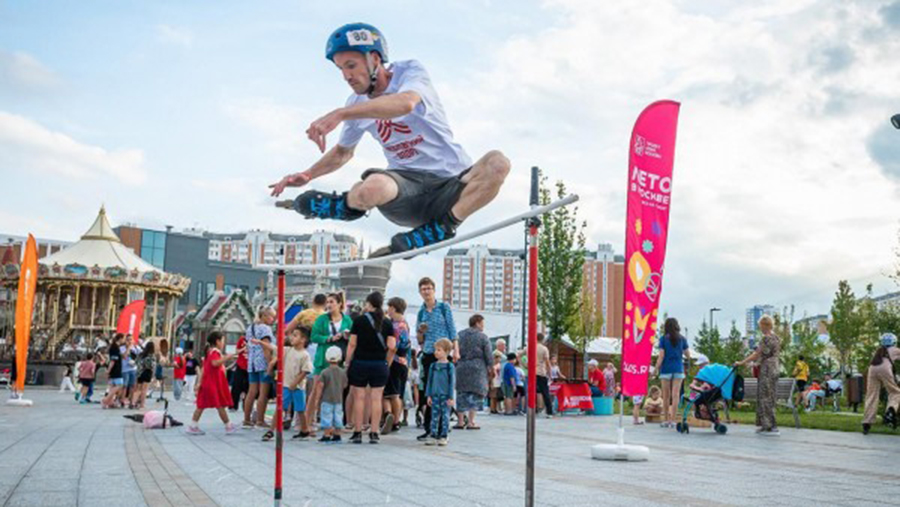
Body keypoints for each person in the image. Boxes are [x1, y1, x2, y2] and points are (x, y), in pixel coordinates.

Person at [269, 23, 510, 257]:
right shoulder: (355, 105)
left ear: (374, 59)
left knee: (498, 163)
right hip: (406, 189)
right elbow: (343, 152)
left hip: (452, 187)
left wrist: (340, 114)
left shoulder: (410, 72)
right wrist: (308, 175)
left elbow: (405, 103)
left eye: (351, 65)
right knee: (373, 186)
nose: (346, 76)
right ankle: (346, 205)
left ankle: (441, 228)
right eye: (340, 69)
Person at [346, 291, 396, 444]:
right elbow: (392, 347)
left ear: (368, 304)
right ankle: (374, 432)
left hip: (360, 363)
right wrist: (386, 362)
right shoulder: (388, 322)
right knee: (376, 399)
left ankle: (358, 432)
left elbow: (352, 344)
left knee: (359, 398)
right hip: (379, 365)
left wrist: (348, 361)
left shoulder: (359, 320)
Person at [415, 277, 458, 441]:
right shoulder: (421, 311)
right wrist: (421, 330)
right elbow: (419, 338)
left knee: (444, 388)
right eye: (423, 289)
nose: (426, 292)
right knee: (428, 390)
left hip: (444, 352)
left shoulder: (443, 307)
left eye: (428, 288)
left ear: (434, 290)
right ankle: (430, 427)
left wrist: (455, 350)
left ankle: (444, 426)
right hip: (428, 352)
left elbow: (452, 328)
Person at [310, 293, 352, 436]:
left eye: (332, 302)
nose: (329, 305)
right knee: (317, 391)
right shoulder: (322, 319)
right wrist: (329, 338)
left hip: (339, 359)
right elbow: (314, 336)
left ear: (340, 304)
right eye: (327, 302)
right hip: (323, 358)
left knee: (336, 393)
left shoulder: (347, 320)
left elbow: (353, 337)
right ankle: (310, 421)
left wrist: (346, 336)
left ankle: (335, 423)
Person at [186, 332, 244, 435]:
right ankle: (228, 425)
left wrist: (199, 382)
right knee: (218, 405)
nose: (223, 343)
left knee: (203, 405)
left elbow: (205, 368)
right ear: (217, 341)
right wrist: (227, 357)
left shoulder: (210, 352)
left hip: (209, 383)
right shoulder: (214, 352)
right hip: (212, 383)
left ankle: (194, 425)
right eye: (222, 340)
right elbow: (215, 363)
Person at [736, 315, 781, 436]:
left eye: (760, 325)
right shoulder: (776, 338)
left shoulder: (766, 338)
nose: (760, 328)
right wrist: (755, 364)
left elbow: (757, 354)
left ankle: (768, 426)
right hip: (775, 368)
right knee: (771, 397)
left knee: (764, 396)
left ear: (765, 325)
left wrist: (742, 362)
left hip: (766, 370)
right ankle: (771, 425)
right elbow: (769, 354)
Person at [455, 314, 493, 429]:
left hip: (461, 367)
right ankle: (471, 422)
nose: (483, 326)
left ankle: (460, 421)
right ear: (477, 323)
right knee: (475, 394)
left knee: (461, 394)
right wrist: (490, 367)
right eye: (482, 323)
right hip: (477, 368)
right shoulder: (483, 337)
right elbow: (488, 354)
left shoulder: (460, 335)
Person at [654, 318, 690, 428]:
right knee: (676, 395)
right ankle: (673, 420)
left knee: (666, 395)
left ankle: (665, 420)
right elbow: (688, 354)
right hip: (678, 369)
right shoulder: (682, 339)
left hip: (666, 369)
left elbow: (661, 356)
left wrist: (656, 368)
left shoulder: (663, 339)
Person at [243, 307, 276, 429]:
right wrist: (270, 364)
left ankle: (246, 419)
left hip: (251, 362)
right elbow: (266, 347)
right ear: (265, 316)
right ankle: (260, 420)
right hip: (262, 362)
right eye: (272, 316)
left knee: (251, 391)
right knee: (263, 392)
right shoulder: (265, 329)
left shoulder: (250, 328)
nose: (273, 319)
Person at [382, 297, 411, 434]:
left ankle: (390, 417)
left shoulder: (395, 326)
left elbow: (393, 347)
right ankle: (395, 420)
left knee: (389, 394)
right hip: (403, 362)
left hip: (393, 361)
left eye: (389, 307)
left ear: (393, 308)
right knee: (396, 393)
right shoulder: (405, 324)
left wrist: (387, 362)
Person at [862, 333, 900, 435]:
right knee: (895, 392)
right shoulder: (895, 350)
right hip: (885, 369)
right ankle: (891, 410)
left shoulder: (878, 351)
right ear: (894, 342)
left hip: (872, 369)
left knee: (872, 395)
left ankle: (866, 423)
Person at [425, 338, 456, 446]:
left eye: (439, 350)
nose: (436, 352)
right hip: (434, 395)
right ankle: (433, 435)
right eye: (435, 350)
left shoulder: (449, 366)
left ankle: (444, 435)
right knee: (434, 416)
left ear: (446, 351)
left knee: (445, 416)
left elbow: (452, 382)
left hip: (445, 396)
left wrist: (451, 397)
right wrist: (428, 395)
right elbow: (429, 381)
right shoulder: (433, 366)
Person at [318, 346, 348, 443]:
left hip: (327, 399)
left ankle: (327, 434)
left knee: (327, 416)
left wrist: (317, 399)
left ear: (327, 358)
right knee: (338, 416)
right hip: (338, 399)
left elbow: (320, 386)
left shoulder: (324, 372)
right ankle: (337, 434)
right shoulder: (342, 372)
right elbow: (345, 385)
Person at [532, 333, 554, 418]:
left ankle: (532, 409)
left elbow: (519, 354)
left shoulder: (530, 347)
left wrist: (525, 365)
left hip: (532, 371)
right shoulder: (544, 349)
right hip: (541, 371)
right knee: (545, 392)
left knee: (532, 392)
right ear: (543, 339)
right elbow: (547, 362)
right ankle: (549, 412)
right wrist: (550, 373)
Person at [102, 334, 125, 408]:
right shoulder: (115, 348)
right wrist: (108, 370)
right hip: (116, 369)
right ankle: (106, 399)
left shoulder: (115, 347)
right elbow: (113, 360)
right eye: (123, 339)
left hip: (115, 368)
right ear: (120, 339)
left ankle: (109, 402)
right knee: (119, 385)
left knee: (112, 386)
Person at [134, 341, 156, 409]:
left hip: (139, 373)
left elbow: (136, 362)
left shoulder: (141, 354)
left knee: (138, 389)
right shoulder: (151, 355)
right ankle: (142, 404)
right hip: (147, 372)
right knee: (144, 390)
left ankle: (133, 402)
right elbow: (151, 365)